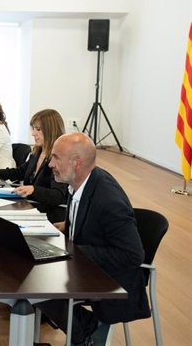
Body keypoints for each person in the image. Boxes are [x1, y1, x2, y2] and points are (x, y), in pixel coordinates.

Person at [37, 133, 150, 345]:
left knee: (37, 282)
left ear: (76, 162)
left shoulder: (108, 200)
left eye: (56, 158)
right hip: (85, 264)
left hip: (111, 278)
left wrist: (74, 251)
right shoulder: (78, 182)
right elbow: (81, 224)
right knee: (31, 273)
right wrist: (54, 228)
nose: (50, 164)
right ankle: (84, 329)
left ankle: (87, 330)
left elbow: (133, 255)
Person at [0, 109, 69, 222]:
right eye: (33, 128)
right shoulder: (38, 152)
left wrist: (33, 189)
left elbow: (58, 195)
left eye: (38, 129)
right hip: (29, 208)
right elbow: (20, 172)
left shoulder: (58, 160)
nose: (33, 133)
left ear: (51, 131)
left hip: (46, 216)